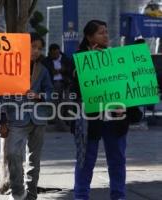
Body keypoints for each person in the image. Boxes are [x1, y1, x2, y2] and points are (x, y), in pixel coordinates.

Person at [71, 20, 142, 200]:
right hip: (89, 120)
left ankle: (118, 196)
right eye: (101, 32)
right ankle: (80, 196)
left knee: (117, 161)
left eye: (106, 32)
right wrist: (89, 67)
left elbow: (127, 86)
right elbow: (75, 90)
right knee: (85, 162)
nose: (106, 35)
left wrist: (126, 107)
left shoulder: (117, 58)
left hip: (115, 119)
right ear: (89, 37)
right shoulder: (79, 59)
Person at [0, 32, 53, 200]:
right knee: (13, 154)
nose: (36, 51)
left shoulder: (42, 70)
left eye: (39, 48)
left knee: (34, 159)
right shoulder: (10, 67)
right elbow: (1, 94)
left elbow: (51, 92)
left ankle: (31, 194)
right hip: (15, 118)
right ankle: (17, 192)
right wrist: (2, 120)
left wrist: (39, 96)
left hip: (38, 118)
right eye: (33, 46)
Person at [42, 43, 71, 131]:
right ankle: (58, 121)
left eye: (57, 54)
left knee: (66, 102)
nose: (55, 56)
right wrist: (52, 72)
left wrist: (63, 70)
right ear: (50, 53)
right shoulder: (46, 61)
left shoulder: (65, 59)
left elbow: (71, 70)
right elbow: (45, 71)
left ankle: (66, 120)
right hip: (52, 84)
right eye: (53, 54)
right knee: (55, 102)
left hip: (65, 83)